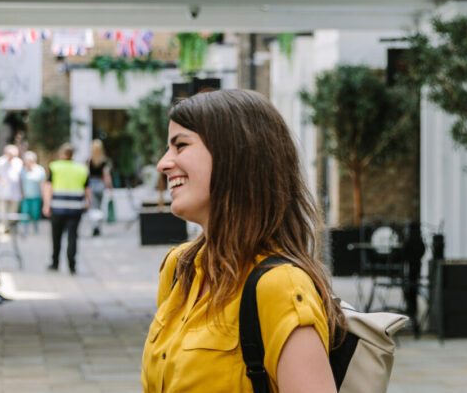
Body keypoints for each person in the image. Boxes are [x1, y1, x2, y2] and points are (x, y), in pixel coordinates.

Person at [142, 90, 345, 392]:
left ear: (235, 156)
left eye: (181, 145)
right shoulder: (179, 269)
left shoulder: (281, 287)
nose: (163, 163)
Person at [43, 143, 90, 274]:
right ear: (72, 155)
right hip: (76, 208)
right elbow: (87, 188)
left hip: (57, 207)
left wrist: (46, 204)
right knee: (73, 237)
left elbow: (48, 187)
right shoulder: (81, 169)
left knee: (56, 236)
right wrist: (88, 202)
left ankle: (55, 263)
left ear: (61, 154)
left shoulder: (54, 167)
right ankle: (72, 265)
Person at [0, 144, 24, 230]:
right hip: (3, 192)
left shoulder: (19, 162)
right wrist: (1, 180)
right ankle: (5, 228)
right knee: (2, 213)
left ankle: (9, 227)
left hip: (15, 192)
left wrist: (22, 190)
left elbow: (21, 178)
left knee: (13, 213)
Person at [87, 139, 113, 236]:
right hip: (100, 184)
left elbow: (87, 175)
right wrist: (110, 187)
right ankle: (98, 227)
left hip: (92, 184)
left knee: (94, 207)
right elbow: (106, 175)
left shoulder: (89, 161)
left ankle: (95, 226)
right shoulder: (104, 161)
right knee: (99, 207)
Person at [19, 150, 47, 234]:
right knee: (25, 213)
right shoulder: (22, 170)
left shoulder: (39, 170)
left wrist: (44, 196)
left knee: (35, 213)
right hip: (26, 196)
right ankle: (25, 230)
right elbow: (20, 182)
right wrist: (21, 192)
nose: (27, 162)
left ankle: (35, 228)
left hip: (36, 196)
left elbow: (43, 183)